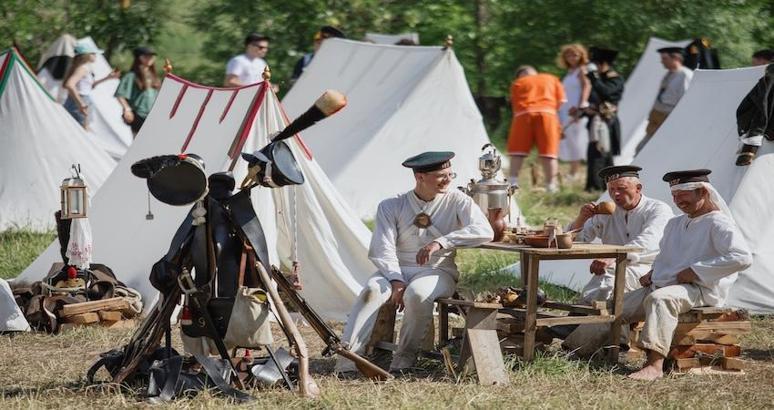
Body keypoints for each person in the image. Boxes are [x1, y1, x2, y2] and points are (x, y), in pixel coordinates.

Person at [563, 169, 752, 381]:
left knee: (658, 300)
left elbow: (742, 257)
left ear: (703, 193)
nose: (678, 201)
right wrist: (654, 272)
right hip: (664, 284)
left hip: (701, 288)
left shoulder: (718, 223)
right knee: (613, 305)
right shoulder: (676, 223)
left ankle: (654, 365)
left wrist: (696, 271)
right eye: (675, 196)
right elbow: (667, 255)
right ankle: (574, 350)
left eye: (683, 195)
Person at [335, 152, 493, 375]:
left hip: (437, 269)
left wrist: (441, 242)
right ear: (420, 177)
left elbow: (484, 231)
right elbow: (383, 248)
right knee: (371, 291)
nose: (448, 180)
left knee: (418, 295)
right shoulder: (391, 205)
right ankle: (347, 360)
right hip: (396, 268)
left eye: (450, 174)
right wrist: (396, 279)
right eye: (441, 176)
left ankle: (404, 362)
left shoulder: (458, 200)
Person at [567, 166, 673, 304]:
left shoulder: (658, 209)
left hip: (650, 269)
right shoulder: (606, 212)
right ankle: (588, 315)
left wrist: (615, 257)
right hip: (613, 267)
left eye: (621, 189)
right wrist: (581, 218)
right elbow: (576, 240)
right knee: (610, 275)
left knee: (611, 274)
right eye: (611, 189)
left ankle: (585, 315)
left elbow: (648, 242)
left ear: (638, 188)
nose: (615, 194)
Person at [506, 66, 566, 192]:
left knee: (517, 152)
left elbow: (514, 104)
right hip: (547, 113)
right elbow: (560, 102)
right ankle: (551, 186)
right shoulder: (552, 79)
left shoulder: (517, 83)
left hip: (523, 114)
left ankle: (512, 183)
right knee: (549, 153)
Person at [582, 47, 624, 191]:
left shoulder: (615, 79)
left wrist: (594, 78)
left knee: (603, 153)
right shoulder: (597, 80)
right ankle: (593, 184)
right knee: (594, 153)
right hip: (595, 121)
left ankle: (604, 185)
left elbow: (607, 93)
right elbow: (593, 99)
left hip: (607, 122)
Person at [637, 47, 694, 153]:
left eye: (664, 58)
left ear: (675, 58)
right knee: (641, 149)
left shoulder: (685, 75)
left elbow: (685, 101)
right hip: (657, 120)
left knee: (645, 150)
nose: (661, 61)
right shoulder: (669, 74)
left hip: (668, 121)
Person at [62, 42, 120, 129]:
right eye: (93, 53)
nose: (95, 55)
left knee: (81, 130)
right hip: (79, 101)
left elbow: (89, 86)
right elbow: (70, 84)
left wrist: (107, 78)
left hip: (81, 100)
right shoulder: (83, 68)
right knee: (80, 131)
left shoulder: (85, 68)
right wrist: (80, 103)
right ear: (87, 55)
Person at [556, 44, 591, 183]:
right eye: (569, 55)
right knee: (569, 139)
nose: (572, 58)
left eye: (575, 55)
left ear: (581, 55)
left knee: (575, 140)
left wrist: (581, 106)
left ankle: (575, 172)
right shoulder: (570, 71)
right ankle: (573, 170)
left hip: (575, 110)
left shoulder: (582, 70)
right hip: (565, 109)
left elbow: (586, 86)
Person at [115, 47, 161, 136]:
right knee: (139, 144)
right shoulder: (131, 76)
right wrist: (127, 109)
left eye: (151, 56)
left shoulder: (154, 76)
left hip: (152, 115)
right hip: (139, 114)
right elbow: (120, 95)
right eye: (146, 56)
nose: (150, 58)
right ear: (139, 58)